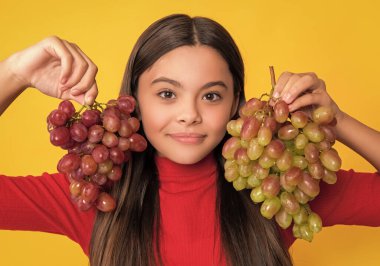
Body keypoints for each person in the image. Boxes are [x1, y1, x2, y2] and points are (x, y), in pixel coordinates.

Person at [1, 14, 380, 266]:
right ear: (133, 101)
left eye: (211, 95)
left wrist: (338, 120)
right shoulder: (94, 195)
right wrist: (15, 73)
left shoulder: (280, 187)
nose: (190, 114)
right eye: (167, 94)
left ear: (236, 102)